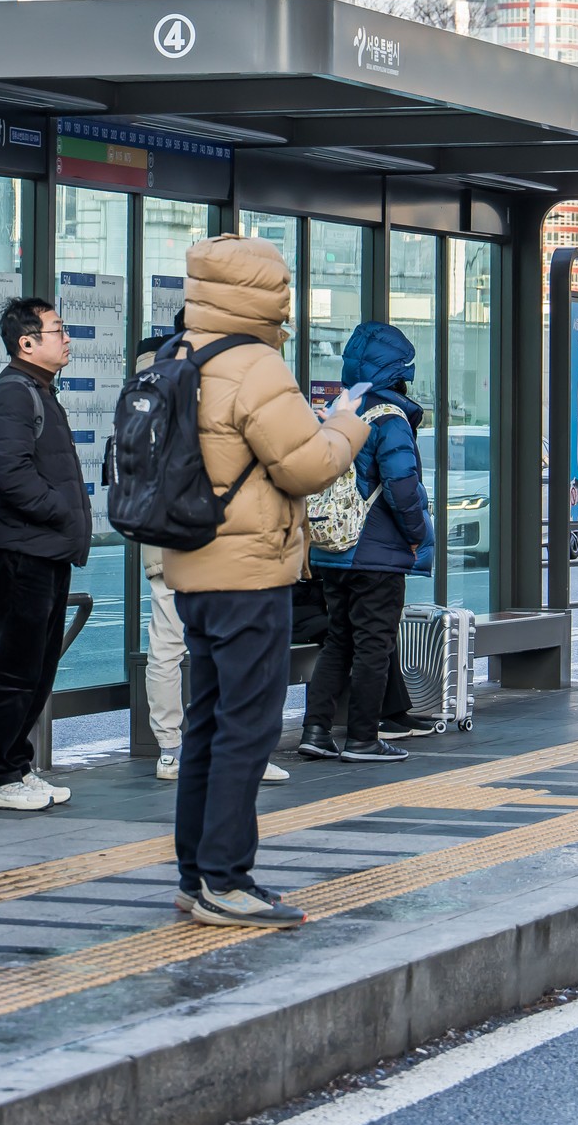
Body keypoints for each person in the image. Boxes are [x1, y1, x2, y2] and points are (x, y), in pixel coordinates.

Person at [162, 234, 368, 929]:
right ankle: (226, 878)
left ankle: (195, 876)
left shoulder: (178, 354)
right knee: (246, 731)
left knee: (205, 727)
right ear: (266, 294)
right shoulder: (255, 366)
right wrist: (347, 424)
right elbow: (306, 467)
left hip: (194, 567)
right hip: (249, 573)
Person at [134, 308, 288, 786]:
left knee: (167, 642)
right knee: (232, 646)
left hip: (164, 524)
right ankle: (240, 750)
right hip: (223, 531)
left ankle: (171, 749)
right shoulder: (235, 371)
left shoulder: (153, 369)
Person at [0, 296, 93, 811]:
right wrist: (60, 512)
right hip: (22, 552)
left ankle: (15, 768)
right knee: (14, 667)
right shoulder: (14, 395)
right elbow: (8, 472)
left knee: (37, 666)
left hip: (44, 551)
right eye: (57, 330)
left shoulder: (38, 391)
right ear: (27, 343)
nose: (67, 338)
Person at [302, 321, 435, 763]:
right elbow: (402, 486)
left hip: (332, 549)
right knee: (374, 643)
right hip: (374, 552)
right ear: (395, 369)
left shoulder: (341, 409)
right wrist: (418, 536)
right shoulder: (390, 417)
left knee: (339, 639)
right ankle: (362, 737)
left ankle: (317, 730)